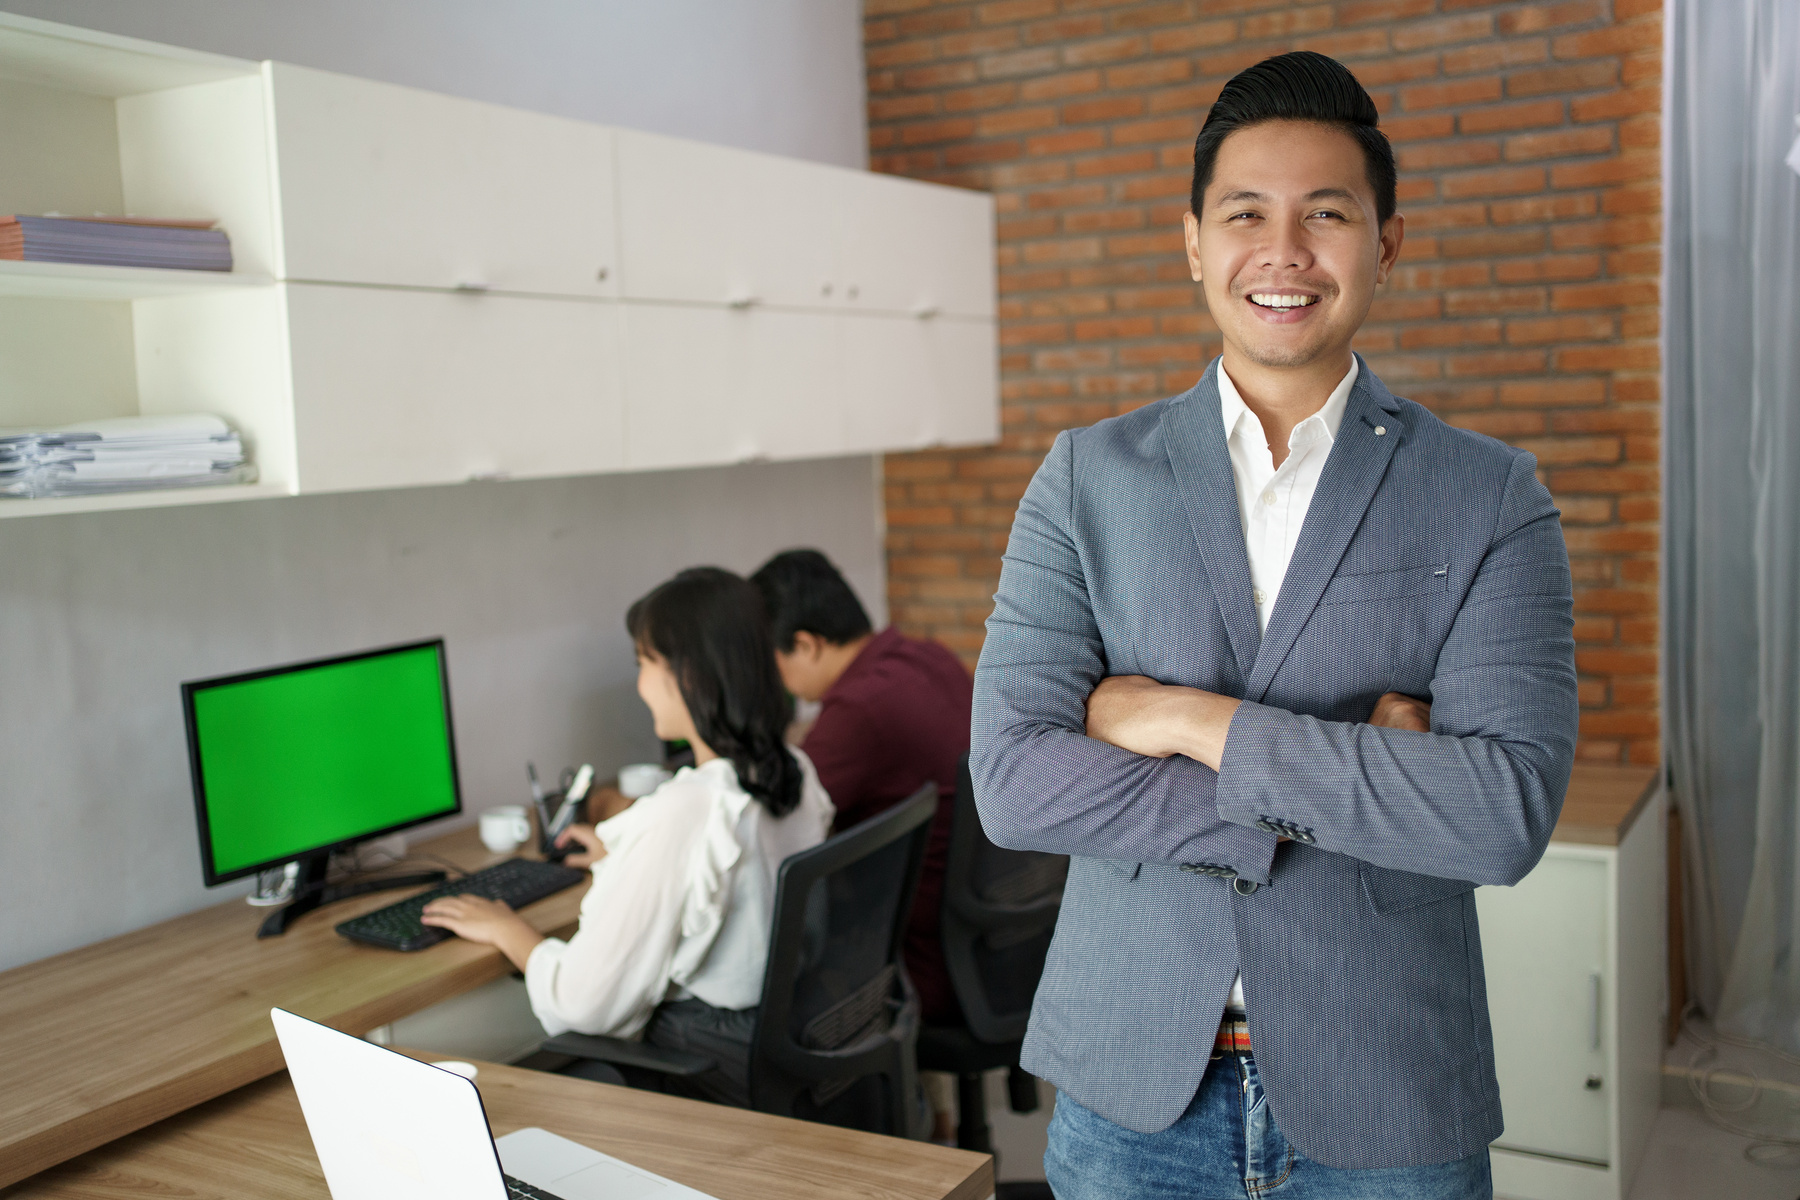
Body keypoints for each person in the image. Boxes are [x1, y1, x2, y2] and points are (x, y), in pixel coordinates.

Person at [971, 51, 1577, 1200]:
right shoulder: (1084, 480)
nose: (1285, 251)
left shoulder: (1491, 494)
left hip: (1388, 1094)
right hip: (1132, 1091)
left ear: (1386, 242)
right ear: (1194, 240)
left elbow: (1500, 816)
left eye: (1328, 214)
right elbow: (1012, 783)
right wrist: (1355, 780)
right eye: (1246, 212)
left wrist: (1176, 715)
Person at [421, 567, 834, 1108]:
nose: (639, 684)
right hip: (787, 1046)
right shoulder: (794, 770)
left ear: (688, 676)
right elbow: (736, 877)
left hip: (715, 1067)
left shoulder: (684, 811)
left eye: (643, 664)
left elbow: (584, 1004)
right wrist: (628, 854)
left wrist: (508, 929)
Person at [748, 549, 972, 1029]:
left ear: (806, 645)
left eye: (772, 661)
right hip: (981, 943)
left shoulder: (857, 712)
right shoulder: (928, 658)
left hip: (913, 965)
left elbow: (769, 822)